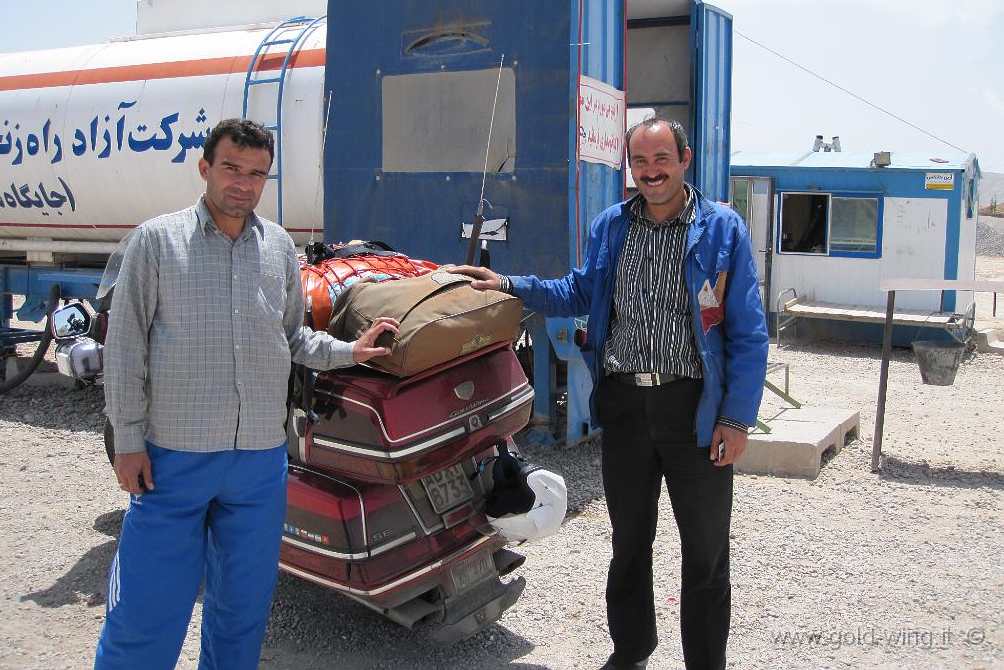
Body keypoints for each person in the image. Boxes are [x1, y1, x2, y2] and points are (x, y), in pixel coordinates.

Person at [450, 116, 768, 670]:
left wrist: (736, 419)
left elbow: (748, 332)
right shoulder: (612, 226)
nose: (650, 172)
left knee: (706, 554)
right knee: (629, 543)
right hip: (624, 406)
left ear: (685, 160)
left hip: (694, 409)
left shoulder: (722, 230)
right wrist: (507, 285)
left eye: (661, 160)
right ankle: (631, 651)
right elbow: (579, 290)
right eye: (640, 162)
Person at [96, 118, 398, 669]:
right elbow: (125, 349)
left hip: (259, 463)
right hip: (174, 458)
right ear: (205, 167)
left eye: (257, 174)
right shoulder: (157, 242)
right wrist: (129, 441)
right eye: (232, 168)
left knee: (243, 611)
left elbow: (291, 337)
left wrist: (351, 352)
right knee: (147, 609)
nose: (244, 183)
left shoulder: (278, 247)